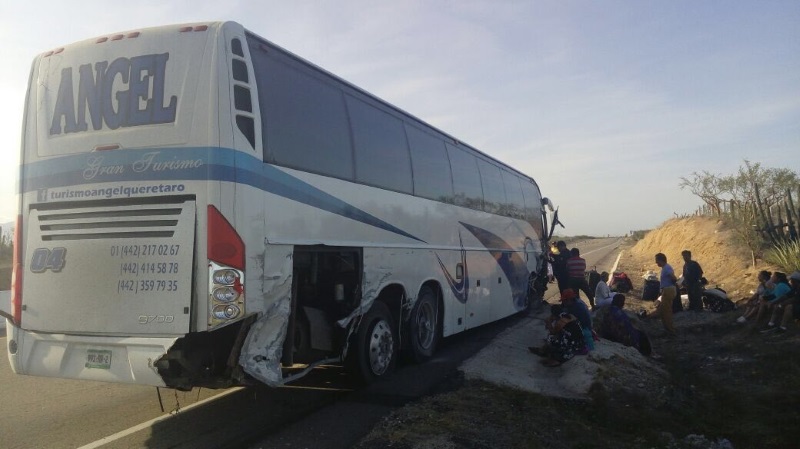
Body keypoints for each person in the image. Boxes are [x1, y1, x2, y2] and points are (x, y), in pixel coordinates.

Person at [528, 302, 587, 367]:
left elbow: (553, 332)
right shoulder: (567, 315)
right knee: (558, 336)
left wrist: (549, 323)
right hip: (580, 341)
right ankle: (543, 350)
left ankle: (556, 360)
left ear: (554, 314)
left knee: (551, 338)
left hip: (575, 346)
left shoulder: (561, 321)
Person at [647, 253, 678, 335]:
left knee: (666, 312)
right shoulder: (665, 268)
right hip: (667, 290)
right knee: (663, 310)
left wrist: (672, 284)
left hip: (668, 290)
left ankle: (670, 331)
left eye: (657, 261)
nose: (656, 263)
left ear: (661, 260)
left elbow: (673, 278)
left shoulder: (667, 268)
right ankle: (667, 328)